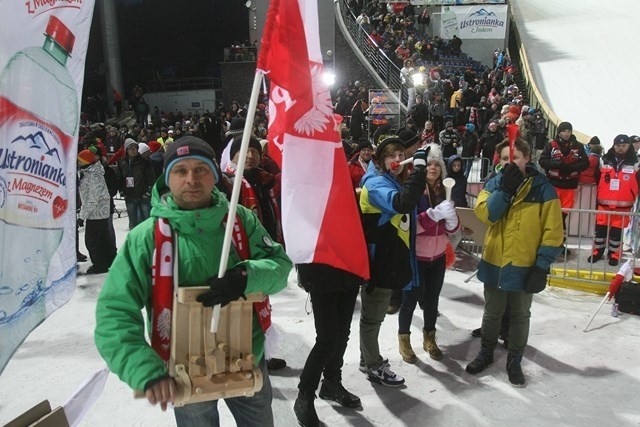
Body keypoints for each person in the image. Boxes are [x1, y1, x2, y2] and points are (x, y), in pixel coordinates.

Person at [95, 137, 292, 426]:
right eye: (180, 170)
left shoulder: (240, 221)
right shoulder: (145, 238)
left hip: (246, 357)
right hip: (183, 367)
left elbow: (280, 267)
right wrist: (145, 371)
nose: (191, 179)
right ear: (167, 178)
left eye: (201, 169)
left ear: (214, 174)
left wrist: (246, 276)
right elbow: (115, 312)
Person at [466, 138, 563, 387]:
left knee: (520, 316)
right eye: (506, 158)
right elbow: (486, 215)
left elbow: (553, 232)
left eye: (516, 157)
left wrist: (541, 266)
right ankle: (486, 352)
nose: (511, 162)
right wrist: (505, 191)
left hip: (525, 264)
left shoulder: (543, 189)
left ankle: (514, 360)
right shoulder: (494, 183)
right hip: (495, 263)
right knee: (492, 313)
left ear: (527, 158)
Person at [358, 137, 428, 387]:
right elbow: (402, 204)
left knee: (374, 315)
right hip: (378, 264)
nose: (397, 160)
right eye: (391, 156)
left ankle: (367, 359)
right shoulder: (376, 184)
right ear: (380, 159)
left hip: (390, 261)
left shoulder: (390, 180)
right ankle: (372, 364)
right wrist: (419, 171)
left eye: (401, 154)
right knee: (372, 317)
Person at [397, 146, 459, 363]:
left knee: (432, 300)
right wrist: (432, 215)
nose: (432, 168)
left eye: (437, 165)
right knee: (410, 300)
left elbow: (451, 229)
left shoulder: (445, 191)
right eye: (429, 164)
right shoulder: (413, 190)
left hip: (438, 256)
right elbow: (408, 225)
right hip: (417, 257)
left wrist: (452, 221)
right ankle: (404, 339)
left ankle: (429, 338)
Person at [294, 264, 365, 426]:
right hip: (320, 269)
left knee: (342, 333)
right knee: (327, 340)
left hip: (349, 267)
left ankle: (331, 382)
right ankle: (304, 395)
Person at [588, 134, 640, 266]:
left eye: (623, 145)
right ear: (614, 145)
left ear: (628, 146)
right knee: (600, 232)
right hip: (604, 204)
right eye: (618, 145)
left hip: (623, 206)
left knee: (616, 234)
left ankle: (614, 254)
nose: (620, 148)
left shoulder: (636, 163)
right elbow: (597, 176)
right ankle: (597, 252)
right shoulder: (604, 160)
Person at [538, 121, 588, 254]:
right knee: (551, 215)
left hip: (569, 186)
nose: (566, 133)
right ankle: (547, 242)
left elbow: (585, 163)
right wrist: (558, 164)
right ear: (559, 132)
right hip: (554, 185)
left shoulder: (578, 146)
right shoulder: (551, 145)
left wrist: (571, 167)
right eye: (564, 131)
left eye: (569, 131)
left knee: (562, 216)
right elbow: (542, 161)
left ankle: (560, 244)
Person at [77, 148, 117, 274]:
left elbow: (92, 199)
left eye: (80, 160)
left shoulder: (94, 175)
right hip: (98, 213)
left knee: (92, 241)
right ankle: (106, 261)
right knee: (102, 239)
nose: (78, 163)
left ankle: (99, 265)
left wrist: (82, 216)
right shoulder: (90, 172)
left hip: (97, 213)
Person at [117, 138, 156, 229]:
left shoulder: (145, 162)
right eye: (131, 148)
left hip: (143, 195)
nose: (133, 150)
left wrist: (148, 191)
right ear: (126, 150)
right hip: (129, 195)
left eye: (135, 147)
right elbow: (119, 178)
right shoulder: (122, 162)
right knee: (133, 221)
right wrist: (122, 191)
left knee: (147, 220)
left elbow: (151, 178)